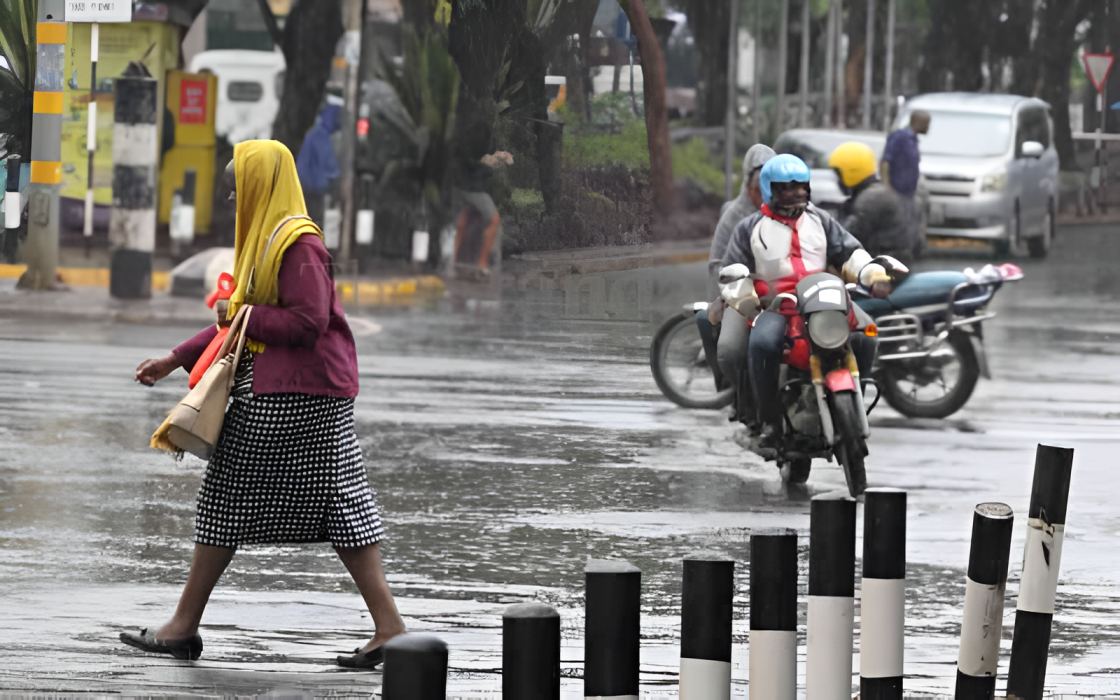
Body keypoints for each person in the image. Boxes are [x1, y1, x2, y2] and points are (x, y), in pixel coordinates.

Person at [122, 140, 404, 670]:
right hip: (302, 394)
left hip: (296, 396)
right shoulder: (270, 241)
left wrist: (241, 309)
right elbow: (240, 320)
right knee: (340, 508)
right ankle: (389, 627)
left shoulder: (298, 244)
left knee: (228, 500)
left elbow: (307, 322)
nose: (233, 200)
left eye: (238, 189)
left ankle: (183, 626)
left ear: (262, 187)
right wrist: (175, 357)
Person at [715, 154, 893, 445]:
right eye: (785, 187)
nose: (795, 193)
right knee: (762, 344)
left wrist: (871, 273)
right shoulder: (749, 227)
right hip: (776, 306)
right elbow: (733, 273)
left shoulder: (821, 220)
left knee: (867, 333)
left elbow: (849, 252)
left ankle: (854, 397)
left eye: (800, 186)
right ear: (769, 188)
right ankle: (770, 422)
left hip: (823, 300)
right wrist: (749, 305)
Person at [700, 144, 775, 417]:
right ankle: (739, 395)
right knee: (729, 347)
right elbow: (721, 264)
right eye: (760, 187)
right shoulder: (736, 218)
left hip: (785, 290)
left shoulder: (806, 214)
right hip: (744, 291)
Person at [828, 141, 911, 261]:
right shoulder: (875, 192)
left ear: (851, 171)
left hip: (885, 267)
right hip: (889, 260)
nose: (838, 180)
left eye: (839, 174)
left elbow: (845, 239)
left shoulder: (871, 199)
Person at [881, 110, 929, 256]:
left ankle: (909, 252)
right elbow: (885, 161)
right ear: (918, 122)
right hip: (897, 191)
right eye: (927, 123)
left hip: (909, 192)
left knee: (910, 224)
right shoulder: (900, 137)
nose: (928, 127)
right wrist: (887, 186)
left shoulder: (912, 140)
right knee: (898, 226)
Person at [297, 100, 343, 227]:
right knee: (316, 219)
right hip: (313, 185)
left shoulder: (314, 132)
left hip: (304, 183)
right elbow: (328, 162)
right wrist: (338, 176)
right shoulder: (321, 136)